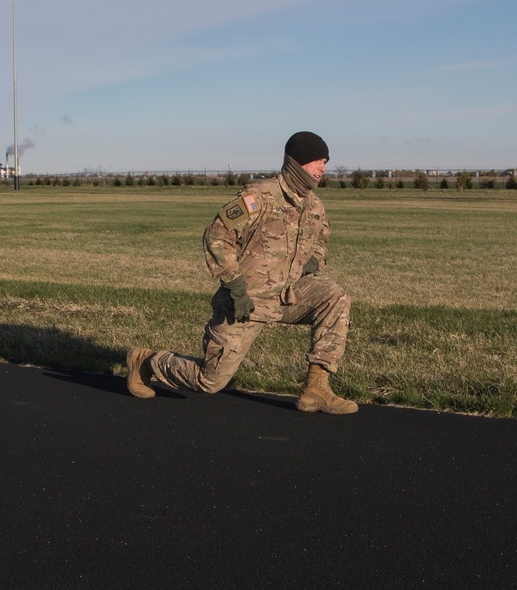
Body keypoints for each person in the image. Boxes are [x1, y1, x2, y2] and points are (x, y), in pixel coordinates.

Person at [127, 131, 358, 414]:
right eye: (317, 161)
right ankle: (146, 361)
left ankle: (316, 389)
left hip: (287, 296)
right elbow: (216, 236)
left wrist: (308, 266)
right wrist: (235, 287)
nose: (323, 167)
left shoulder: (314, 206)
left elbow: (321, 244)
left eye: (325, 161)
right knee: (208, 381)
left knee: (336, 298)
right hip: (245, 301)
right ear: (296, 162)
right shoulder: (258, 197)